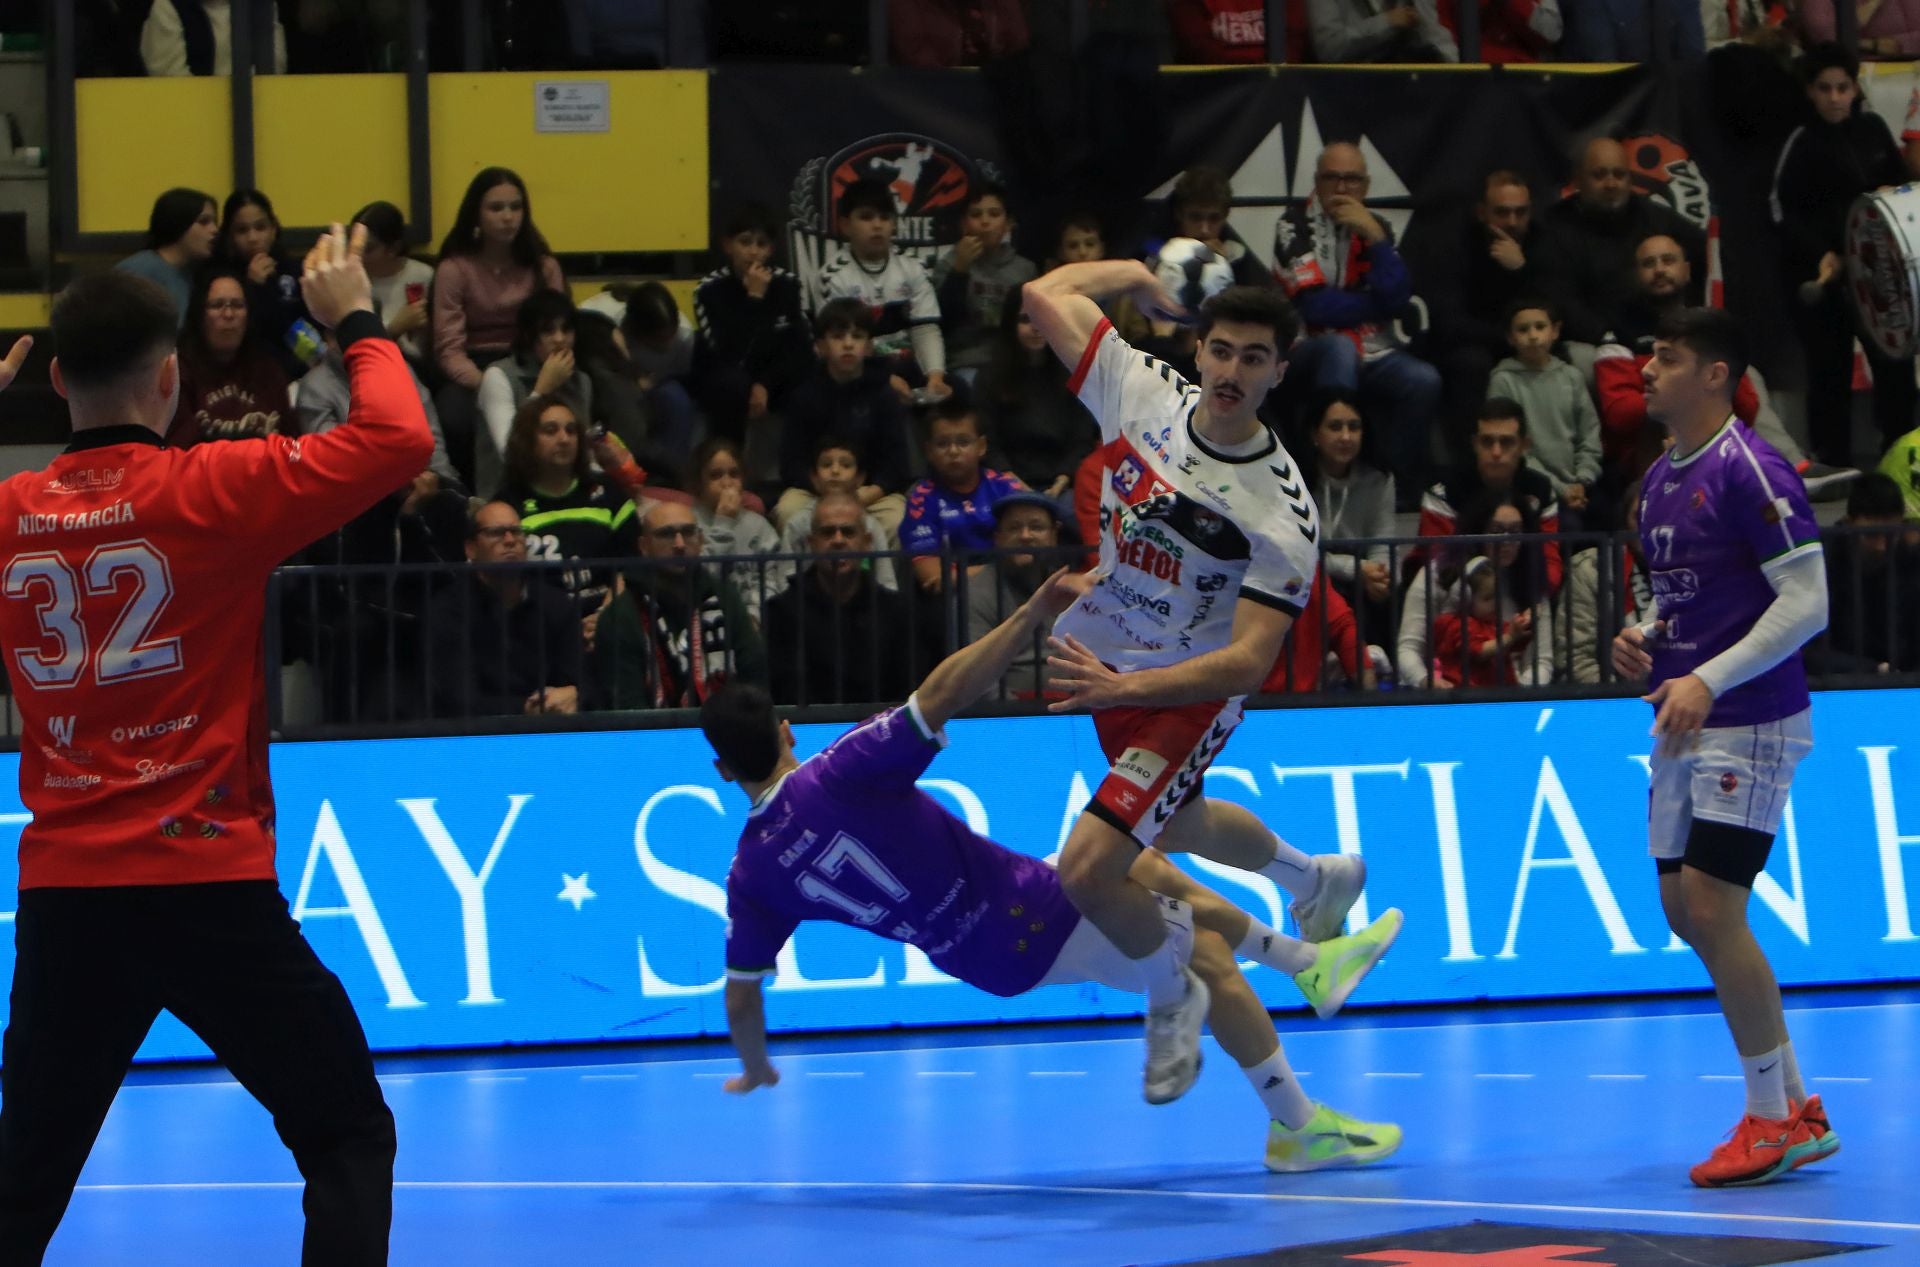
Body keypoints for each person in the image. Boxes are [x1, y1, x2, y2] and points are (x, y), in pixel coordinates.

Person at [0, 226, 427, 1263]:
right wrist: (356, 321)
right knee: (345, 1130)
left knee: (21, 1189)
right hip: (205, 881)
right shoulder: (213, 487)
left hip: (67, 896)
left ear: (56, 379)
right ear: (170, 378)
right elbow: (400, 438)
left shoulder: (9, 514)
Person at [709, 571, 1405, 1170]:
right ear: (786, 728)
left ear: (721, 770)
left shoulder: (752, 870)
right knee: (1209, 960)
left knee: (1143, 863)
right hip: (1025, 913)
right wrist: (1031, 613)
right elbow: (944, 689)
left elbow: (741, 995)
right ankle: (1298, 1125)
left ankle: (1309, 961)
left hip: (975, 952)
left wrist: (754, 1063)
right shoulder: (839, 770)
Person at [1022, 269, 1369, 1102]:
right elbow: (1043, 294)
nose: (1231, 372)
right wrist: (1135, 278)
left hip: (1187, 693)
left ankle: (1178, 997)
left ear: (1279, 372)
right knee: (1178, 820)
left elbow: (1250, 660)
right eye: (1219, 350)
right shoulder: (1142, 391)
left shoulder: (1282, 512)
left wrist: (1119, 691)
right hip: (1107, 663)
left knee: (1095, 865)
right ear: (1198, 348)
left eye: (1254, 359)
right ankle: (1314, 880)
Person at [1609, 307, 1840, 1188]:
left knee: (1712, 907)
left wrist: (1708, 676)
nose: (1646, 369)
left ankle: (1771, 1118)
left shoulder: (1753, 468)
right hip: (1685, 715)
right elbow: (1679, 596)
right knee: (1682, 907)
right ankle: (1798, 1104)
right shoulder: (1662, 476)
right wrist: (1642, 633)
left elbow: (1807, 602)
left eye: (1664, 358)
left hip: (1750, 715)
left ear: (1714, 374)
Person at [1771, 43, 1915, 468]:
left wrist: (1896, 193)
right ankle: (1834, 463)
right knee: (1828, 372)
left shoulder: (1873, 129)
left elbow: (1901, 187)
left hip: (1877, 275)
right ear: (1810, 92)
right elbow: (1783, 210)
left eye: (1842, 88)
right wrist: (1824, 253)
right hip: (1825, 277)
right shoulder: (1800, 141)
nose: (1834, 97)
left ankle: (1901, 458)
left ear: (1855, 90)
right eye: (1824, 89)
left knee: (1894, 366)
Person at [1276, 142, 1443, 500]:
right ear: (1317, 182)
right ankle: (1327, 488)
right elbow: (1315, 307)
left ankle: (1395, 491)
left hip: (1371, 348)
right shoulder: (1292, 224)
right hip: (1307, 349)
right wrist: (1376, 304)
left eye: (1351, 180)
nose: (1341, 189)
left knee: (1423, 380)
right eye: (1331, 178)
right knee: (1337, 350)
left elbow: (1396, 297)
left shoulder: (1375, 225)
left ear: (1365, 186)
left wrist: (1379, 241)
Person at [432, 167, 568, 486]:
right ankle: (469, 493)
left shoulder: (543, 266)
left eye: (516, 207)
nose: (508, 216)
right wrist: (489, 385)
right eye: (496, 208)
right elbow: (448, 349)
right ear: (476, 215)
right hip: (474, 366)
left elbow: (559, 326)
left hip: (532, 359)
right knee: (454, 414)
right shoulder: (455, 269)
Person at [422, 499, 591, 719]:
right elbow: (457, 699)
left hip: (550, 731)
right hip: (478, 739)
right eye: (496, 533)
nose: (510, 540)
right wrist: (525, 709)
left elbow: (586, 680)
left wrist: (574, 692)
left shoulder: (555, 603)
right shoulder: (447, 610)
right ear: (471, 548)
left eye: (516, 531)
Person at [494, 394, 640, 645]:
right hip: (539, 635)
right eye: (550, 430)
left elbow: (632, 567)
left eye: (571, 431)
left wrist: (606, 617)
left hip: (608, 628)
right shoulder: (507, 505)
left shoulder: (608, 493)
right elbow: (501, 585)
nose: (564, 439)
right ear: (528, 440)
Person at [1536, 137, 1704, 351]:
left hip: (1658, 334)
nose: (1611, 184)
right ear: (1577, 180)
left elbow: (1705, 254)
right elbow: (1560, 299)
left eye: (1619, 174)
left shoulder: (1654, 217)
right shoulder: (1556, 226)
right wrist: (1607, 337)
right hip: (1592, 341)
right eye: (1599, 175)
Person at [596, 500, 766, 708]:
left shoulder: (724, 595)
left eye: (688, 532)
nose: (679, 544)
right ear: (644, 546)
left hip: (727, 729)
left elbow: (754, 674)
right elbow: (626, 703)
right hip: (652, 735)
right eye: (666, 534)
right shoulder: (620, 615)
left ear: (701, 540)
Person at [776, 299, 915, 537]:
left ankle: (884, 577)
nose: (848, 344)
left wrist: (872, 492)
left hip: (869, 493)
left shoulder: (884, 395)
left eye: (858, 336)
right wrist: (821, 487)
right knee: (788, 509)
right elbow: (791, 463)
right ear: (821, 346)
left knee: (897, 518)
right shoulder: (804, 396)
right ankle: (800, 575)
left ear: (869, 346)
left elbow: (897, 463)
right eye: (838, 337)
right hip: (816, 490)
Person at [817, 178, 949, 400]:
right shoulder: (833, 276)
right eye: (867, 217)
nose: (877, 225)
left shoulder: (913, 267)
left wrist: (935, 376)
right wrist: (883, 378)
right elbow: (837, 346)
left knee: (956, 390)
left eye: (885, 217)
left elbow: (925, 328)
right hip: (857, 371)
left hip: (910, 366)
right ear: (846, 225)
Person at [692, 203, 813, 443]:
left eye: (761, 244)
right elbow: (728, 353)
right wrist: (754, 299)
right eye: (745, 242)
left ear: (771, 249)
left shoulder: (788, 285)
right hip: (729, 377)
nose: (753, 252)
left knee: (810, 383)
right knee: (731, 383)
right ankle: (730, 463)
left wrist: (765, 384)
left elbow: (799, 350)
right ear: (728, 246)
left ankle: (807, 468)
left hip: (774, 378)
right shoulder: (709, 290)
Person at [1487, 299, 1602, 528]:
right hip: (1530, 485)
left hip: (1578, 485)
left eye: (1540, 327)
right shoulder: (1503, 380)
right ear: (1510, 337)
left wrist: (1583, 479)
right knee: (1568, 525)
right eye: (1522, 329)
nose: (1532, 335)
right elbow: (1513, 448)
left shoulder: (1571, 377)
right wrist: (1561, 489)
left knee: (1608, 517)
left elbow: (1589, 434)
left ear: (1555, 331)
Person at [477, 290, 597, 497]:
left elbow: (581, 455)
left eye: (566, 330)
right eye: (548, 331)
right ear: (529, 335)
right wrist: (542, 390)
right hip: (507, 497)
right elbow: (510, 453)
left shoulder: (581, 381)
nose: (560, 339)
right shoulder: (498, 376)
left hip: (567, 493)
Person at [901, 402, 1027, 594]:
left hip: (1011, 594)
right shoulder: (920, 499)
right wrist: (1002, 570)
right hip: (952, 601)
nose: (953, 451)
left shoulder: (1006, 488)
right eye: (942, 444)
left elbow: (1029, 560)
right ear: (928, 451)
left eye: (963, 442)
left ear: (981, 446)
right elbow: (933, 579)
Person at [964, 490, 1074, 699]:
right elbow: (973, 676)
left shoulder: (1070, 587)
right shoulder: (977, 591)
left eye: (1036, 527)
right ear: (998, 538)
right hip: (1008, 715)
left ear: (1054, 535)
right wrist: (1018, 718)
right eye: (1014, 528)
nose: (1025, 536)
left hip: (1076, 709)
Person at [169, 267, 294, 447]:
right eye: (217, 305)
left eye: (237, 305)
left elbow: (291, 444)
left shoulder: (269, 371)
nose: (228, 314)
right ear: (200, 315)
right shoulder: (179, 372)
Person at [933, 182, 1039, 379]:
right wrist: (959, 271)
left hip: (1012, 364)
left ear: (1008, 223)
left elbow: (1033, 324)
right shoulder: (949, 264)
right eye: (975, 215)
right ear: (963, 224)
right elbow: (943, 322)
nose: (985, 222)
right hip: (965, 361)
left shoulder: (1025, 269)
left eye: (994, 214)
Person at [778, 437, 902, 592]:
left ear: (860, 478)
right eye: (826, 465)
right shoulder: (796, 524)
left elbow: (886, 581)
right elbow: (785, 580)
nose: (835, 471)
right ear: (814, 478)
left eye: (846, 465)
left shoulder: (871, 526)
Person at [688, 437, 787, 624]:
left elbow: (771, 579)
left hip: (753, 621)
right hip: (704, 623)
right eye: (715, 475)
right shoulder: (688, 524)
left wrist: (754, 614)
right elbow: (701, 579)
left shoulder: (759, 526)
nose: (727, 483)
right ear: (698, 482)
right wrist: (723, 522)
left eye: (734, 474)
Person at [218, 189, 316, 375]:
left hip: (302, 369)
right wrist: (252, 288)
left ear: (273, 228)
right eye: (242, 230)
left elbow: (310, 326)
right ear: (229, 236)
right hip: (244, 373)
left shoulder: (297, 270)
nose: (253, 238)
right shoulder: (221, 278)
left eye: (260, 227)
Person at [115, 187, 219, 328]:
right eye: (204, 222)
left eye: (214, 222)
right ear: (180, 223)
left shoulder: (190, 276)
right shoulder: (139, 270)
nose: (214, 230)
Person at [351, 200, 436, 368]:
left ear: (394, 248)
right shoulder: (350, 281)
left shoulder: (425, 277)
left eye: (368, 249)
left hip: (416, 370)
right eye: (354, 246)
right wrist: (394, 329)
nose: (358, 256)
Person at [141, 0, 288, 75]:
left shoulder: (260, 5)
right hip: (185, 115)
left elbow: (273, 67)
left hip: (254, 112)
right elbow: (171, 81)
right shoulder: (168, 6)